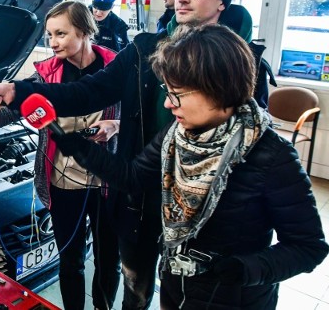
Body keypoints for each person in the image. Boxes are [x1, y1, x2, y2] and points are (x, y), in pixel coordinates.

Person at [0, 0, 273, 310]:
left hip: (206, 204)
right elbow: (89, 91)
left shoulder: (244, 62)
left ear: (222, 0)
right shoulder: (145, 50)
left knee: (190, 290)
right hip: (143, 192)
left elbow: (250, 146)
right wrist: (19, 91)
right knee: (137, 284)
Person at [50, 23, 329, 309]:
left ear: (217, 89)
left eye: (178, 94)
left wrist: (244, 269)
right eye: (168, 92)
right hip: (178, 290)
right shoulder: (175, 135)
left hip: (236, 299)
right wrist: (80, 148)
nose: (169, 105)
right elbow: (133, 178)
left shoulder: (272, 156)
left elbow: (308, 248)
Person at [0, 0, 121, 310]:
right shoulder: (45, 77)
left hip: (108, 182)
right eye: (49, 35)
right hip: (63, 182)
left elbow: (143, 118)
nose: (52, 43)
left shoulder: (117, 70)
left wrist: (115, 124)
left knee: (109, 260)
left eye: (61, 34)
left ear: (83, 31)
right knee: (71, 260)